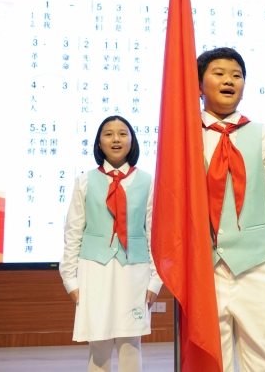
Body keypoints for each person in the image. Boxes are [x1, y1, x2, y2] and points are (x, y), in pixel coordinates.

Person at [198, 47, 265, 371]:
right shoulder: (185, 138)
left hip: (259, 268)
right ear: (199, 85)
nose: (229, 80)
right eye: (219, 74)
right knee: (211, 362)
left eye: (237, 75)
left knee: (264, 363)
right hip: (204, 270)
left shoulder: (263, 136)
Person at [59, 115, 163, 371]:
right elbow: (73, 232)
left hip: (134, 270)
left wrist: (155, 280)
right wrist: (70, 279)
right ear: (99, 143)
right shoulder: (85, 181)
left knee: (130, 344)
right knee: (99, 343)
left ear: (132, 141)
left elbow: (155, 233)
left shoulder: (148, 181)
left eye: (122, 133)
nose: (116, 139)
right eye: (108, 134)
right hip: (95, 270)